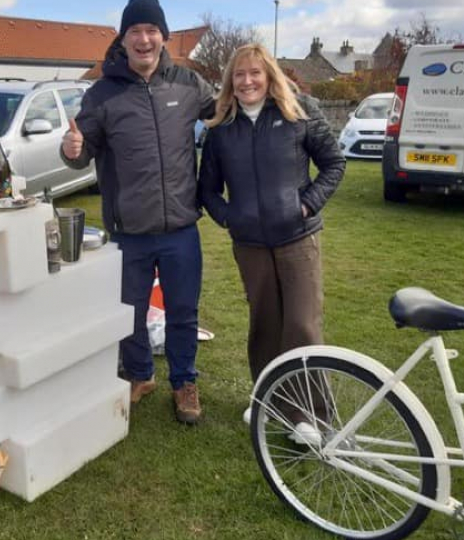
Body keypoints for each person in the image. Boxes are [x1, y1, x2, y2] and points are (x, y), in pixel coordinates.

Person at [61, 0, 215, 424]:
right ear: (123, 38)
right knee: (130, 311)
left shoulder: (188, 84)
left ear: (163, 35)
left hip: (181, 225)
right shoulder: (102, 94)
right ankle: (140, 373)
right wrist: (71, 149)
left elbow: (225, 114)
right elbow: (81, 149)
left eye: (151, 30)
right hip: (130, 229)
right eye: (135, 31)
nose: (144, 39)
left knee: (184, 310)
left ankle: (184, 381)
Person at [198, 44, 345, 440]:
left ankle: (310, 417)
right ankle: (268, 402)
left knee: (301, 326)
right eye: (239, 75)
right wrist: (229, 217)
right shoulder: (221, 128)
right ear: (231, 81)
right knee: (264, 326)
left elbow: (334, 163)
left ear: (269, 77)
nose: (247, 82)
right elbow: (207, 189)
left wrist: (308, 204)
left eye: (255, 74)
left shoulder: (298, 115)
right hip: (249, 244)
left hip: (297, 239)